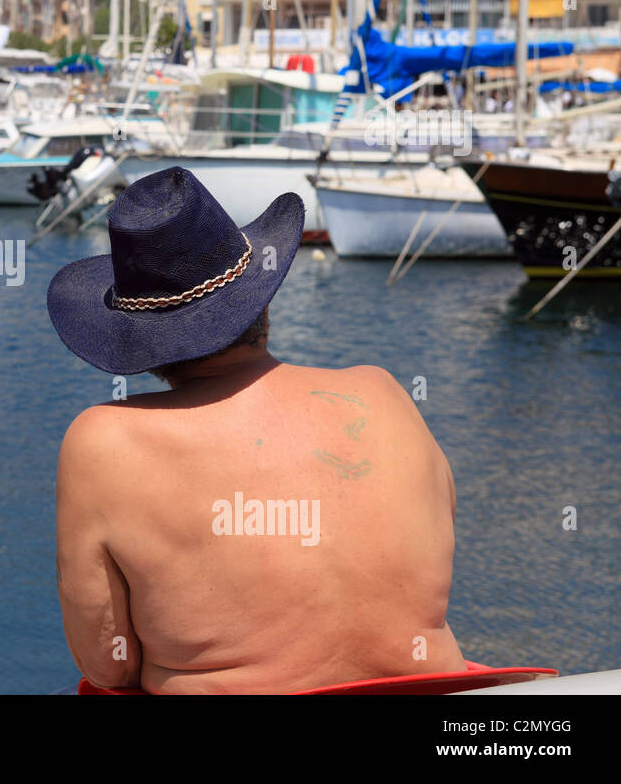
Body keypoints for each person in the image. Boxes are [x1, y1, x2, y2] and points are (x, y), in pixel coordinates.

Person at [46, 167, 465, 693]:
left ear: (137, 345)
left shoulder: (103, 443)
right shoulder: (383, 395)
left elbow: (109, 665)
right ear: (262, 296)